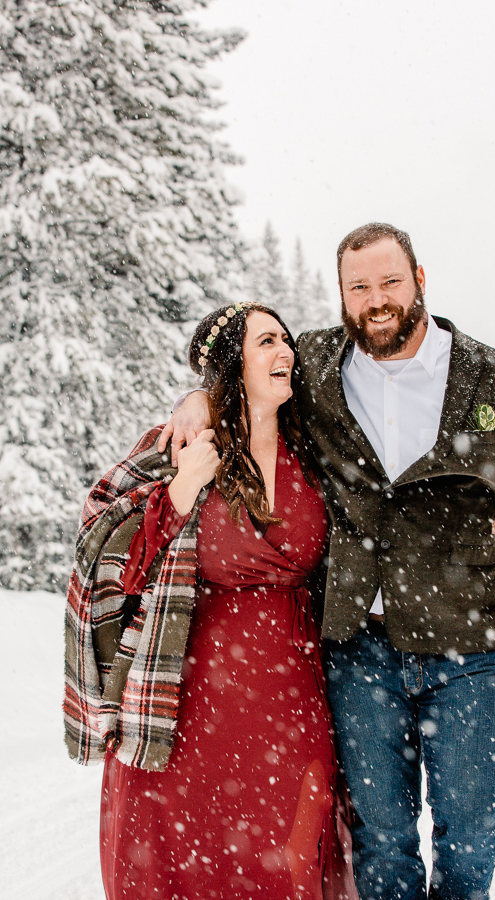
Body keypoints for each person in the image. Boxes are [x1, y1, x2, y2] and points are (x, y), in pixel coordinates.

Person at [162, 223, 495, 900]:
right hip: (358, 642)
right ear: (342, 294)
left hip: (467, 640)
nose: (376, 300)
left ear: (419, 280)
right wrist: (196, 398)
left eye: (390, 281)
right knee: (380, 833)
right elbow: (240, 370)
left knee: (472, 824)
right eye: (358, 287)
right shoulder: (313, 366)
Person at [64, 301, 359, 900]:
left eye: (285, 340)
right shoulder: (184, 442)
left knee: (290, 843)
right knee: (183, 843)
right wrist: (179, 490)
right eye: (266, 342)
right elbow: (99, 544)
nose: (285, 351)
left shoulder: (315, 449)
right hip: (186, 687)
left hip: (292, 689)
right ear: (232, 364)